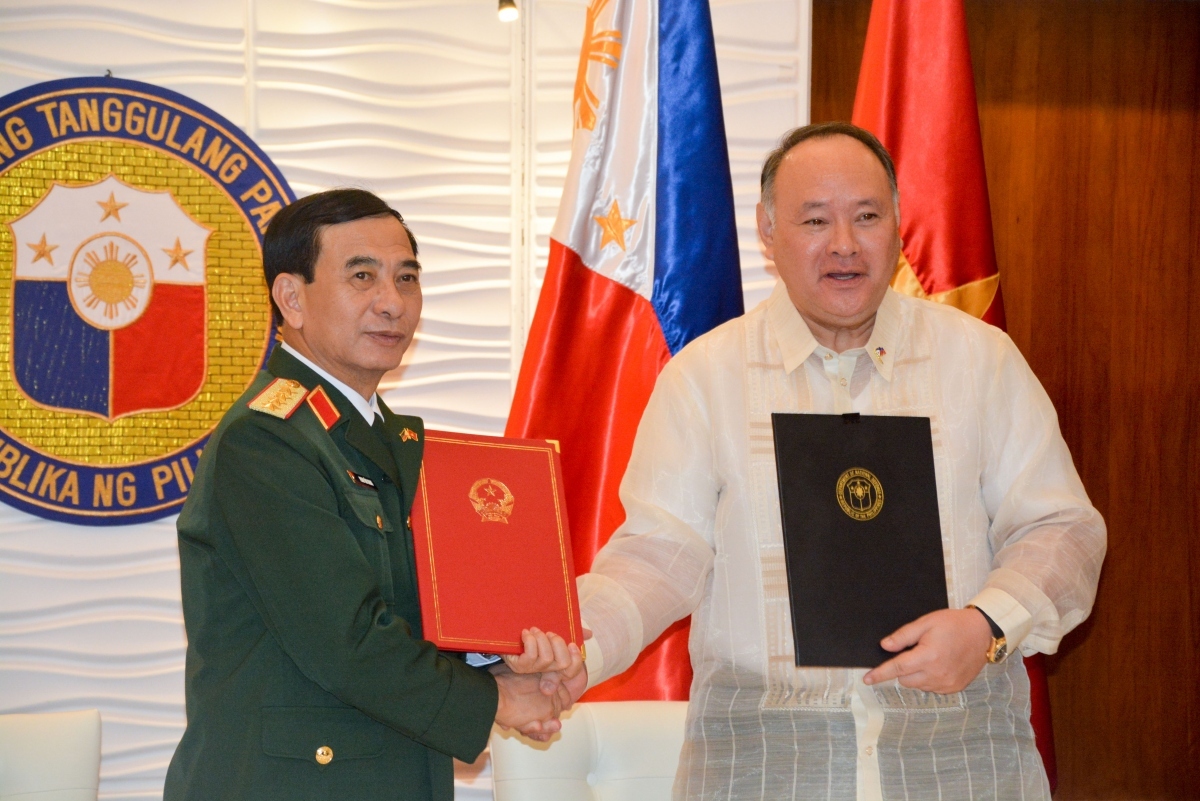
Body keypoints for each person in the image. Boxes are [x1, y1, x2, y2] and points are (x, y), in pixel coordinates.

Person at [570, 123, 1106, 799]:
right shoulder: (704, 378)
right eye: (815, 220)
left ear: (898, 225)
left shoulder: (981, 361)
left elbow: (1062, 529)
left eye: (867, 216)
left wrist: (987, 626)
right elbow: (657, 556)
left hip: (958, 766)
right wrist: (571, 650)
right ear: (768, 232)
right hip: (765, 772)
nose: (845, 244)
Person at [164, 189, 583, 801]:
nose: (392, 302)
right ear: (291, 299)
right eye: (362, 277)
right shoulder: (266, 439)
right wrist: (496, 700)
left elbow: (413, 613)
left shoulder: (393, 439)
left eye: (406, 278)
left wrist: (498, 657)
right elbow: (344, 638)